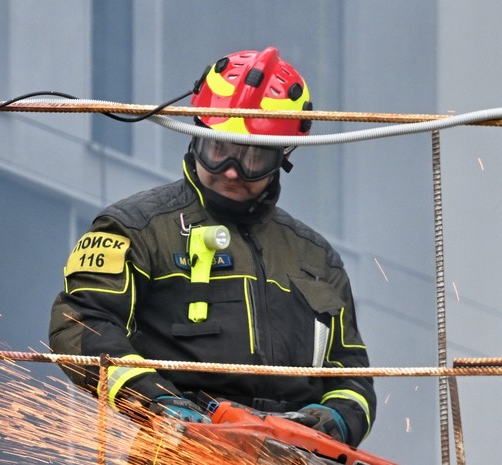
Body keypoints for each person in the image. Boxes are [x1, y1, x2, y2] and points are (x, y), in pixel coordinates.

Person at [49, 46, 376, 447]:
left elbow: (352, 373)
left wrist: (334, 421)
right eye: (219, 150)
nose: (233, 170)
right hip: (179, 447)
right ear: (197, 132)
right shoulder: (137, 227)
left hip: (295, 455)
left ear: (284, 155)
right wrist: (157, 402)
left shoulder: (316, 257)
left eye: (254, 157)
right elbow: (80, 324)